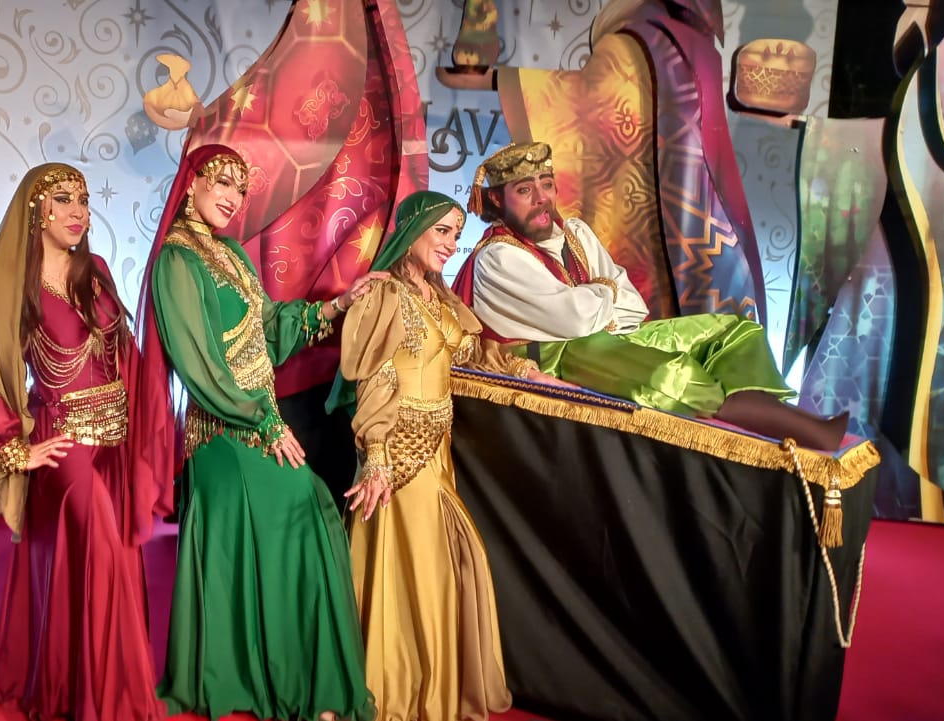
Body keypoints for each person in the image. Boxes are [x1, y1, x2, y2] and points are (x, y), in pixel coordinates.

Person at [132, 143, 380, 721]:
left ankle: (305, 682)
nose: (232, 197)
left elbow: (268, 328)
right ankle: (286, 682)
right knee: (304, 504)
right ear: (191, 185)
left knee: (311, 508)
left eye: (240, 189)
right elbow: (199, 365)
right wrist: (263, 420)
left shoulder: (229, 255)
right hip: (223, 432)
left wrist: (336, 306)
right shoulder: (176, 260)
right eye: (221, 182)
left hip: (256, 420)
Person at [453, 141, 849, 451]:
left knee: (732, 330)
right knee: (668, 374)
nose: (542, 198)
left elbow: (631, 303)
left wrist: (599, 301)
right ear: (497, 200)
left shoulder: (575, 233)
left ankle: (751, 404)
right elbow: (573, 320)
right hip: (555, 356)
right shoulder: (498, 258)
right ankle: (781, 422)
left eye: (547, 184)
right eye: (525, 190)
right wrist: (604, 292)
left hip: (606, 336)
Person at [0, 162, 166, 721]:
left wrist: (153, 424)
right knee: (99, 545)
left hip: (116, 440)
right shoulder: (13, 280)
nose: (79, 212)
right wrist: (12, 448)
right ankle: (107, 703)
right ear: (37, 210)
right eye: (64, 200)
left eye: (84, 200)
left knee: (116, 556)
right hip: (64, 442)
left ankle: (90, 688)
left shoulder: (95, 269)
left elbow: (124, 355)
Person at [330, 191, 515, 721]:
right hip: (396, 452)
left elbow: (474, 354)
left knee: (438, 566)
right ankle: (393, 691)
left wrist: (524, 366)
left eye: (456, 233)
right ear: (412, 232)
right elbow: (373, 381)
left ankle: (431, 689)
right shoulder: (384, 295)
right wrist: (377, 456)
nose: (452, 244)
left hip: (437, 449)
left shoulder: (439, 297)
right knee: (415, 566)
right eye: (442, 231)